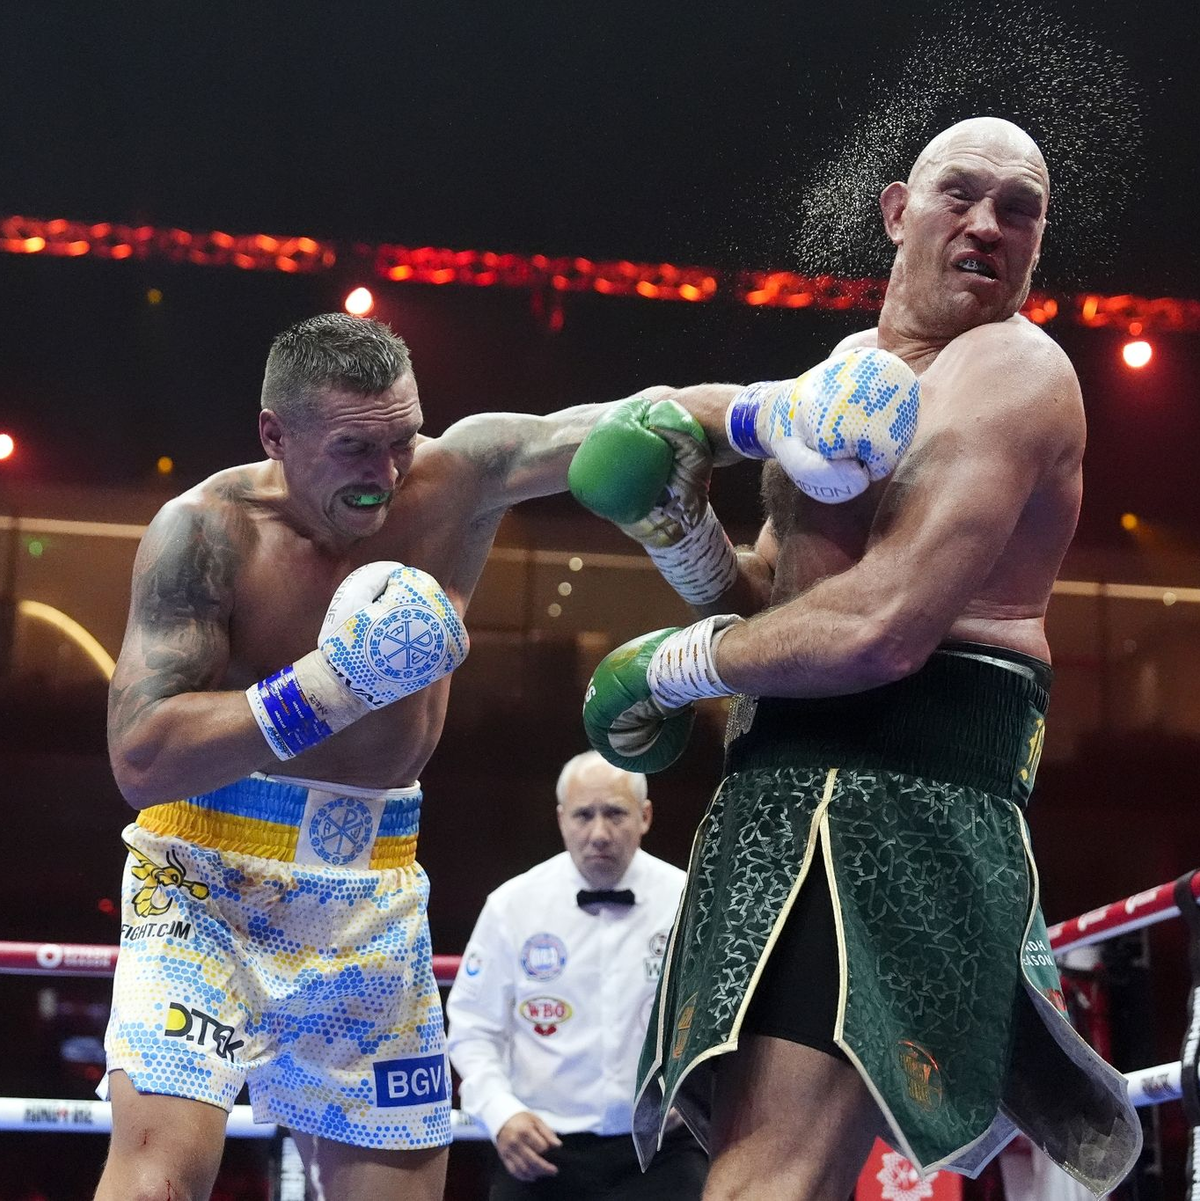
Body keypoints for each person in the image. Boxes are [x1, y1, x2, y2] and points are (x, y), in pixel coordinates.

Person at [573, 118, 1142, 1198]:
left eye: (1018, 208)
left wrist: (673, 666)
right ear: (894, 211)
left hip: (900, 795)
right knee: (764, 1168)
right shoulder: (844, 379)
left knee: (766, 1175)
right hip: (779, 789)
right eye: (960, 195)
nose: (987, 223)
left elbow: (880, 629)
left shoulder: (1015, 369)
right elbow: (784, 606)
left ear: (1037, 242)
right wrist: (684, 538)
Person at [96, 312, 723, 1201]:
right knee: (158, 1182)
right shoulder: (202, 532)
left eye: (402, 438)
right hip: (203, 883)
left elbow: (638, 421)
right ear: (276, 434)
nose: (386, 473)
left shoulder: (459, 475)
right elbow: (143, 760)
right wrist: (332, 683)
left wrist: (780, 418)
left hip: (371, 883)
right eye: (355, 448)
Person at [445, 751, 707, 1199]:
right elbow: (472, 1030)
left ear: (644, 816)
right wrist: (500, 1112)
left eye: (615, 813)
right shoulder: (513, 906)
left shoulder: (689, 901)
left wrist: (702, 1096)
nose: (599, 833)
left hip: (665, 1149)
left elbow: (726, 1022)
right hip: (542, 1148)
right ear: (562, 819)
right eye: (584, 815)